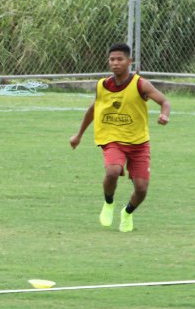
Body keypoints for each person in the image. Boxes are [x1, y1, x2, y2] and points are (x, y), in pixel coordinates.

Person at [69, 42, 171, 233]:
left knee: (141, 189)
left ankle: (127, 212)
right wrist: (79, 135)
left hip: (139, 143)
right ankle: (109, 203)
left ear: (129, 61)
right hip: (112, 139)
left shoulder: (140, 84)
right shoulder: (103, 85)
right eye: (112, 59)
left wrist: (164, 115)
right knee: (112, 172)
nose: (115, 63)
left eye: (120, 59)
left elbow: (165, 101)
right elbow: (93, 110)